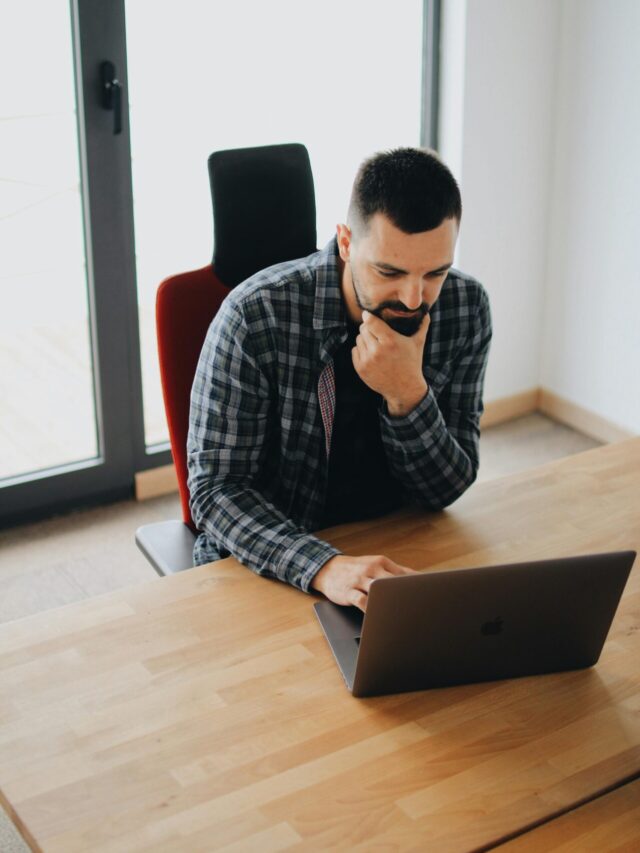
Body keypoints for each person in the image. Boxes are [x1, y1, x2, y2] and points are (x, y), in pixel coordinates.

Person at [187, 147, 492, 611]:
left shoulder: (466, 308)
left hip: (394, 551)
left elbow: (446, 490)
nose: (413, 298)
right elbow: (214, 493)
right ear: (346, 242)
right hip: (271, 564)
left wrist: (407, 393)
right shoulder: (255, 316)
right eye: (389, 271)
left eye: (435, 273)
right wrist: (323, 566)